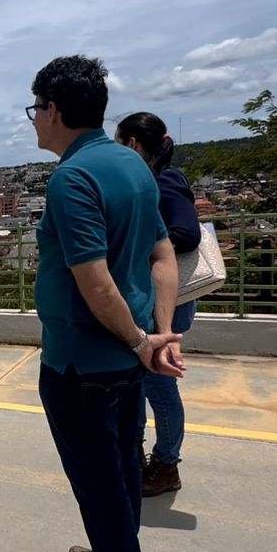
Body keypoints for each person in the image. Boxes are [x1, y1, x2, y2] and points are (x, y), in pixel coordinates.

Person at [27, 55, 183, 552]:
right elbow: (162, 255)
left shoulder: (74, 178)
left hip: (81, 361)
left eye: (34, 109)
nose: (34, 121)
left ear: (54, 109)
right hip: (126, 357)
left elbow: (94, 281)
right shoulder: (133, 164)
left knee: (99, 481)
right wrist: (158, 333)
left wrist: (145, 339)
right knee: (121, 468)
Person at [116, 111, 200, 497]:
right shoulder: (149, 181)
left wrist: (145, 243)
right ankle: (138, 457)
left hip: (166, 304)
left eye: (119, 143)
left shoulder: (164, 181)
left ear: (133, 145)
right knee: (138, 383)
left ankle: (166, 464)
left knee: (159, 386)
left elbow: (186, 232)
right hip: (150, 302)